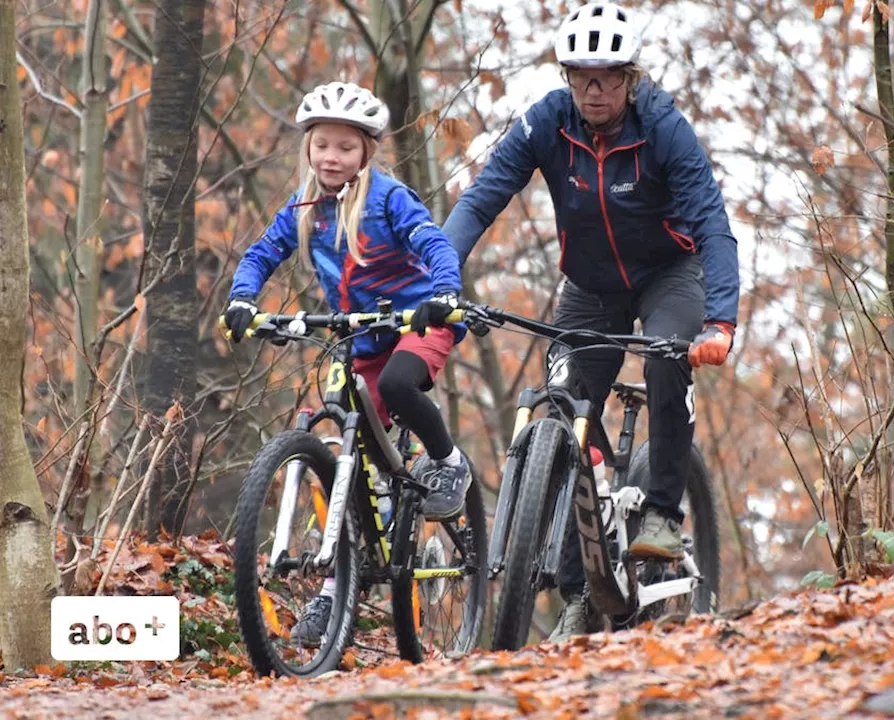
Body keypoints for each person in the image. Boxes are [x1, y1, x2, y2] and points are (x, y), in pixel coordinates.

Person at [441, 2, 740, 642]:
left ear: (630, 78)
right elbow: (483, 195)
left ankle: (661, 511)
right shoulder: (547, 122)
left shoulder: (663, 128)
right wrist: (440, 275)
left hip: (670, 273)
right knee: (564, 405)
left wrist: (720, 321)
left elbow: (712, 223)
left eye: (607, 76)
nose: (593, 89)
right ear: (567, 77)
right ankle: (582, 587)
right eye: (581, 75)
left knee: (666, 353)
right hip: (590, 285)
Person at [220, 81, 472, 647]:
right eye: (322, 146)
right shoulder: (303, 208)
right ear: (308, 149)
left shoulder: (388, 199)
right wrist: (242, 297)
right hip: (355, 339)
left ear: (367, 153)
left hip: (415, 324)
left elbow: (434, 244)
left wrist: (445, 293)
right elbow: (262, 253)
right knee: (340, 441)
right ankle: (338, 583)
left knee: (404, 385)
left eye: (345, 148)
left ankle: (449, 462)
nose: (332, 157)